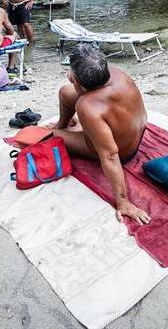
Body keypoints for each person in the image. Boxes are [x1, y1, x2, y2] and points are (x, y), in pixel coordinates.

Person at [50, 43, 151, 225]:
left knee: (51, 137)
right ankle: (62, 124)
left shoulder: (87, 106)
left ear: (79, 83)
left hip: (122, 152)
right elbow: (77, 93)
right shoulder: (113, 73)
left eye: (72, 77)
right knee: (65, 93)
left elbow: (110, 155)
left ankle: (60, 130)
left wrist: (123, 201)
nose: (69, 77)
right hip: (133, 132)